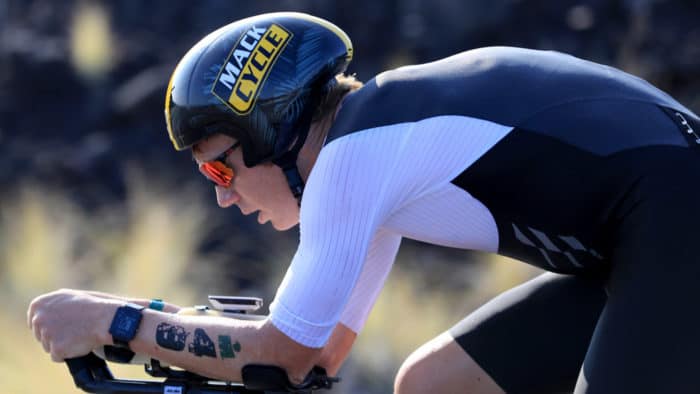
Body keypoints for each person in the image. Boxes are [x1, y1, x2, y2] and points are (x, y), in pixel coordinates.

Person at [27, 11, 700, 394]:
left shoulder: (354, 158)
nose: (223, 199)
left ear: (271, 127)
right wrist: (168, 328)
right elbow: (318, 356)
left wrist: (116, 319)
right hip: (649, 236)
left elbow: (284, 354)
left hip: (673, 219)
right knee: (434, 385)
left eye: (219, 169)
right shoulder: (372, 152)